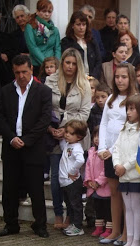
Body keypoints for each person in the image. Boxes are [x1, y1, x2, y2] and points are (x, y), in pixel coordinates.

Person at [0, 54, 52, 239]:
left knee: (36, 188)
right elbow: (1, 118)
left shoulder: (42, 91)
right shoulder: (5, 91)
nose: (21, 76)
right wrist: (12, 138)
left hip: (33, 147)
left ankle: (40, 224)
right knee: (9, 189)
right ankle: (11, 223)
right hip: (11, 146)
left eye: (25, 72)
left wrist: (27, 140)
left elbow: (45, 119)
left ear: (31, 70)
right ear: (13, 71)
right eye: (18, 72)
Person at [45, 48, 92, 230]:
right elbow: (44, 107)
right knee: (56, 176)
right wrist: (50, 128)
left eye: (74, 63)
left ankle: (71, 216)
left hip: (74, 136)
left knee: (71, 178)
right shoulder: (50, 81)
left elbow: (84, 113)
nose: (70, 67)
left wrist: (66, 128)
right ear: (62, 63)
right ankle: (58, 212)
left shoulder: (84, 84)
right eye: (67, 63)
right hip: (53, 133)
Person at [98, 63, 138, 245]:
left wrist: (113, 149)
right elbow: (104, 123)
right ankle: (114, 230)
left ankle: (126, 233)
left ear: (130, 78)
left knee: (125, 194)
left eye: (124, 77)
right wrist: (102, 148)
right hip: (109, 153)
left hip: (124, 154)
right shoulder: (111, 99)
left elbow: (130, 127)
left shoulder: (135, 99)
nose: (120, 80)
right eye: (117, 77)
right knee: (113, 191)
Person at [112, 93, 140, 246]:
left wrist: (125, 166)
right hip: (123, 174)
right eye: (128, 109)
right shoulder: (124, 129)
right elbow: (116, 148)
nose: (129, 113)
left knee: (136, 207)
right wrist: (117, 164)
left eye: (132, 109)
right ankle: (129, 239)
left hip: (135, 175)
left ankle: (136, 241)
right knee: (128, 208)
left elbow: (138, 154)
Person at [58, 119, 87, 236]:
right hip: (65, 181)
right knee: (69, 204)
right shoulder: (69, 145)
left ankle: (78, 226)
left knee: (76, 204)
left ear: (79, 136)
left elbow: (80, 160)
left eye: (70, 133)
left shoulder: (77, 148)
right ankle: (73, 224)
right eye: (66, 132)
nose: (67, 135)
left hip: (72, 182)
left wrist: (72, 171)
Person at [60, 10, 102, 80]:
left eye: (83, 24)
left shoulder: (92, 41)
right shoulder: (66, 42)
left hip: (92, 78)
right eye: (78, 24)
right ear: (73, 26)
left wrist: (93, 77)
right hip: (74, 79)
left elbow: (98, 61)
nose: (81, 27)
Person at [85, 126, 111, 236]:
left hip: (105, 186)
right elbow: (87, 166)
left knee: (107, 208)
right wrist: (89, 180)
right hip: (94, 187)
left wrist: (98, 181)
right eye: (95, 136)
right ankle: (99, 227)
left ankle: (109, 228)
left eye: (99, 136)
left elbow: (106, 170)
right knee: (98, 207)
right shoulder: (91, 151)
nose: (96, 139)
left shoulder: (106, 152)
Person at [25, 0, 61, 74]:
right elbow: (32, 47)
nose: (47, 14)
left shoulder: (54, 30)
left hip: (53, 67)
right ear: (37, 11)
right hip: (37, 65)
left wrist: (56, 64)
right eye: (44, 11)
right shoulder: (30, 27)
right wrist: (46, 63)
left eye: (49, 12)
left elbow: (57, 48)